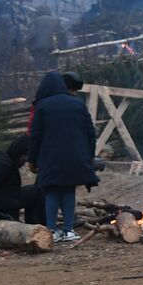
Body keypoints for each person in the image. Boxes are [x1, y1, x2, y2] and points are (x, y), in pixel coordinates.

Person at [27, 71, 99, 242]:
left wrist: (32, 158)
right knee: (68, 190)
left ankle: (51, 230)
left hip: (50, 157)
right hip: (75, 156)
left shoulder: (42, 106)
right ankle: (68, 230)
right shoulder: (77, 104)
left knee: (51, 191)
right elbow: (90, 132)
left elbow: (35, 135)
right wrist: (89, 155)